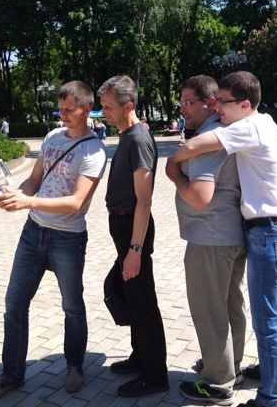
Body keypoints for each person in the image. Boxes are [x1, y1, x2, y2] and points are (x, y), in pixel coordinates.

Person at [172, 71, 277, 407]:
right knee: (240, 308)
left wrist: (174, 165)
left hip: (256, 234)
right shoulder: (257, 123)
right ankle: (237, 368)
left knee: (259, 319)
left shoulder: (245, 127)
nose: (218, 107)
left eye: (222, 102)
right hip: (254, 232)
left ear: (244, 104)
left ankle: (243, 388)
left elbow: (198, 180)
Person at [0, 81, 107, 402]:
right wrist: (15, 195)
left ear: (87, 109)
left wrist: (28, 202)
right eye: (60, 109)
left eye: (69, 110)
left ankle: (75, 366)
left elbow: (77, 203)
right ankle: (11, 376)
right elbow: (35, 179)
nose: (63, 115)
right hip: (33, 231)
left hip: (68, 238)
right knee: (14, 305)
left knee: (72, 307)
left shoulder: (94, 151)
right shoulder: (52, 137)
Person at [165, 76, 247, 405]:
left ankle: (217, 382)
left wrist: (175, 176)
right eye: (181, 103)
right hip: (230, 235)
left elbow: (200, 196)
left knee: (210, 310)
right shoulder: (225, 131)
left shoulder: (205, 140)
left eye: (188, 103)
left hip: (210, 238)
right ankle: (230, 366)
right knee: (229, 305)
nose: (183, 110)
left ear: (210, 103)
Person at [97, 75, 169, 398]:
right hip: (123, 226)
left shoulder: (138, 139)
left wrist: (135, 249)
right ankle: (140, 357)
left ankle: (154, 376)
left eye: (108, 107)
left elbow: (145, 200)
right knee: (132, 294)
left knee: (143, 303)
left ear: (128, 106)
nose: (104, 113)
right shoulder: (127, 134)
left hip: (132, 228)